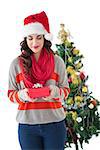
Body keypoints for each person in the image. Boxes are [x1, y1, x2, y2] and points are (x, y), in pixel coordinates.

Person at [7, 11, 70, 150]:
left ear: (45, 38)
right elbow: (11, 94)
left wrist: (55, 92)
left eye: (39, 38)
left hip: (55, 125)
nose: (34, 43)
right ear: (25, 39)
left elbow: (66, 91)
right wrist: (23, 95)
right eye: (30, 38)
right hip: (27, 127)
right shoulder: (16, 64)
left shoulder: (57, 62)